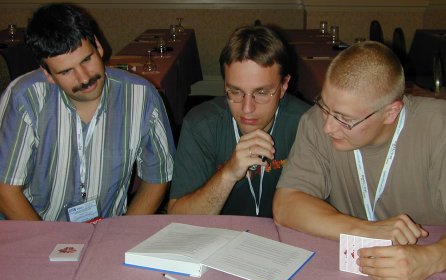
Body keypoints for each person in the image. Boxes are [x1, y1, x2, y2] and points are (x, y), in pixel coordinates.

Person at [273, 41, 446, 280]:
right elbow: (286, 205)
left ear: (391, 113)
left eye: (345, 119)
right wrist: (366, 230)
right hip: (356, 275)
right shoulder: (315, 123)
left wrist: (434, 258)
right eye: (324, 106)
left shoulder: (439, 128)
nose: (328, 127)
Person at [0, 3, 175, 221]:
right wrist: (48, 242)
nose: (84, 78)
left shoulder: (142, 96)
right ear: (47, 74)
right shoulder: (24, 98)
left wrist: (123, 232)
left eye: (87, 59)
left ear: (98, 46)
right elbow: (5, 189)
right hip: (35, 227)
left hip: (107, 229)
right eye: (65, 71)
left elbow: (158, 176)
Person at [168, 25, 309, 217]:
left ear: (284, 85)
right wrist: (228, 173)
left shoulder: (307, 125)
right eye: (235, 91)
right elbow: (178, 217)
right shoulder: (201, 125)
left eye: (261, 92)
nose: (247, 108)